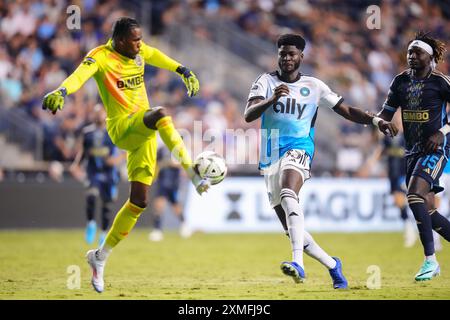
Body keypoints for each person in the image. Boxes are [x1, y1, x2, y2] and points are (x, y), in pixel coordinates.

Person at [42, 17, 210, 293]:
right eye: (135, 40)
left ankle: (99, 257)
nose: (140, 44)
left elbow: (155, 54)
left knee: (139, 202)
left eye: (141, 39)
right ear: (120, 40)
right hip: (122, 126)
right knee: (161, 114)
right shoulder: (100, 56)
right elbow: (79, 77)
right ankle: (192, 172)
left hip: (142, 132)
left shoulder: (139, 50)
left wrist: (182, 69)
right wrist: (62, 90)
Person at [244, 34, 397, 288]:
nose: (287, 58)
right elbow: (249, 115)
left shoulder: (314, 86)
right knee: (291, 229)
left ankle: (298, 264)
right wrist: (272, 100)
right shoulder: (265, 82)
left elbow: (346, 110)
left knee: (288, 192)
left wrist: (375, 120)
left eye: (292, 54)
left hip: (299, 147)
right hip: (270, 154)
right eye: (282, 53)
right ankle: (333, 265)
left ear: (301, 56)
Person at [375, 31, 450, 281]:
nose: (411, 56)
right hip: (411, 152)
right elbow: (385, 114)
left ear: (430, 58)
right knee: (427, 210)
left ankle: (430, 261)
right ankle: (431, 258)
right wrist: (381, 123)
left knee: (414, 194)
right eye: (409, 52)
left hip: (435, 150)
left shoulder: (441, 82)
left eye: (417, 53)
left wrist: (442, 132)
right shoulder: (399, 82)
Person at [70, 104, 126, 246]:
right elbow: (82, 151)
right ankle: (91, 223)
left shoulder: (112, 130)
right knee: (91, 195)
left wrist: (117, 160)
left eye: (100, 113)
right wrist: (76, 164)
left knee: (107, 205)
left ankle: (103, 233)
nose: (97, 115)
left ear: (105, 114)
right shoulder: (87, 132)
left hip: (109, 173)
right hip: (92, 171)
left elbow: (125, 150)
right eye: (95, 113)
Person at [148, 144, 191, 241]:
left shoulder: (178, 148)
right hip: (161, 181)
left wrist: (169, 163)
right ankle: (157, 230)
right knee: (159, 204)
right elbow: (156, 162)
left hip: (173, 182)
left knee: (175, 204)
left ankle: (184, 224)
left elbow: (181, 163)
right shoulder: (161, 149)